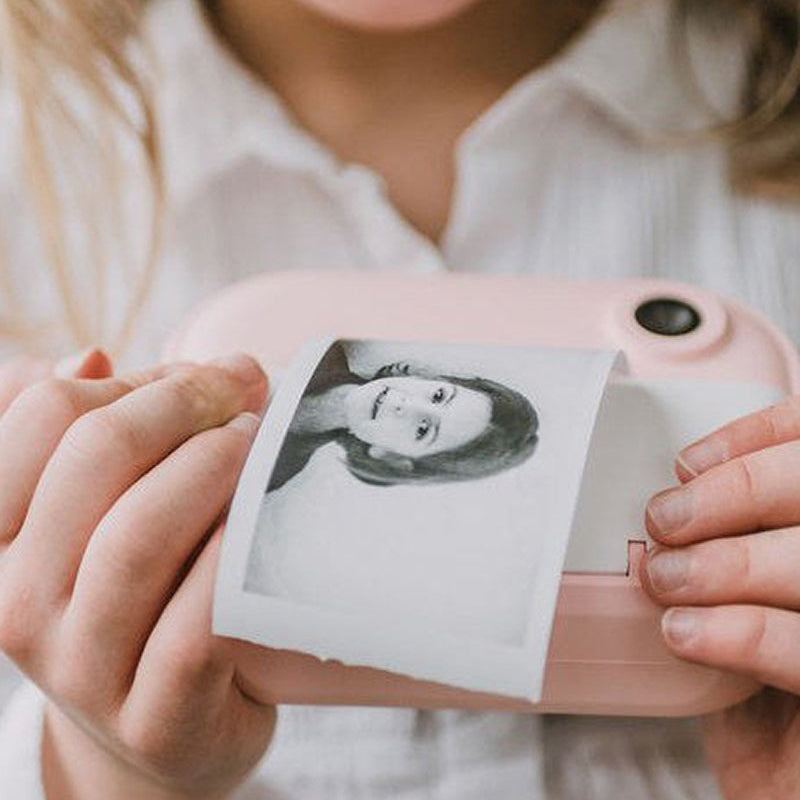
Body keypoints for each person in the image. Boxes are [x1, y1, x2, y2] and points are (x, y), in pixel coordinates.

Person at [0, 1, 799, 799]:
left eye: (428, 424)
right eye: (437, 397)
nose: (414, 404)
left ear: (398, 461)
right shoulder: (31, 185)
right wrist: (113, 769)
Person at [267, 343, 539, 490]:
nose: (407, 406)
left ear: (391, 456)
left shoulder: (279, 471)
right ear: (426, 379)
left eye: (423, 429)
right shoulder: (324, 347)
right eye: (438, 396)